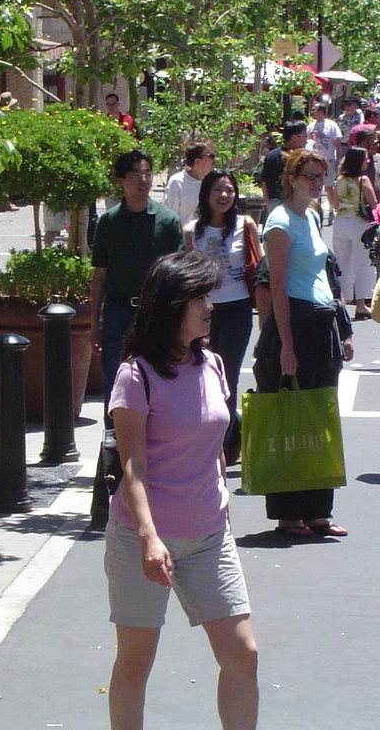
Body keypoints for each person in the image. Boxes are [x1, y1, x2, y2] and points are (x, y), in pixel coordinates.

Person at [105, 251, 258, 730]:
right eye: (200, 298)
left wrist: (223, 489)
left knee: (243, 655)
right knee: (136, 663)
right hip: (142, 541)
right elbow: (132, 466)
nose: (211, 306)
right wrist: (150, 538)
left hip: (209, 534)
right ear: (173, 306)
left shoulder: (212, 363)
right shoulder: (137, 375)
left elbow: (211, 438)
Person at [252, 149, 351, 538]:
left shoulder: (312, 215)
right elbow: (276, 288)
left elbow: (324, 277)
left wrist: (343, 331)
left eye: (321, 175)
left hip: (322, 323)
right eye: (309, 175)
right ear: (291, 178)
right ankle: (288, 513)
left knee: (320, 415)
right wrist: (286, 347)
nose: (316, 182)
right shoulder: (279, 222)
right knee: (290, 419)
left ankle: (318, 511)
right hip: (293, 324)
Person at [90, 151, 184, 526]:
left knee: (160, 396)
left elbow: (178, 275)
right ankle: (109, 495)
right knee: (117, 405)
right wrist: (94, 321)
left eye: (147, 174)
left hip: (156, 315)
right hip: (116, 314)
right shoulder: (109, 222)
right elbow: (99, 274)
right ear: (121, 181)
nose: (143, 181)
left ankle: (157, 487)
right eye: (134, 175)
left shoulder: (167, 220)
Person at [183, 170, 263, 464]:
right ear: (206, 194)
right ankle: (216, 437)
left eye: (229, 190)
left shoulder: (246, 225)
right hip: (202, 312)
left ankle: (224, 445)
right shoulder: (193, 230)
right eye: (217, 190)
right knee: (200, 376)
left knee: (227, 377)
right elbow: (187, 275)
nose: (224, 196)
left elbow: (261, 266)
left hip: (238, 309)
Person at [330, 147, 379, 320]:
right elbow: (373, 203)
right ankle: (361, 305)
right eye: (365, 158)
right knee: (363, 264)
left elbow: (335, 203)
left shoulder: (340, 180)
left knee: (342, 264)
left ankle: (341, 301)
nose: (368, 161)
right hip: (360, 224)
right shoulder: (363, 180)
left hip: (341, 221)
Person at [163, 139, 216, 224]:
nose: (215, 159)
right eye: (211, 156)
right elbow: (168, 218)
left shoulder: (215, 182)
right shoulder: (177, 182)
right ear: (197, 161)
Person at [260, 121, 307, 217]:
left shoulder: (271, 155)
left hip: (288, 203)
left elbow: (264, 184)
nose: (306, 139)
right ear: (294, 137)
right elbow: (265, 183)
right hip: (285, 203)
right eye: (304, 136)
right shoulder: (273, 156)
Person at [306, 102, 341, 220]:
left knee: (329, 186)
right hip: (315, 161)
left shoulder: (331, 125)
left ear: (322, 112)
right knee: (316, 187)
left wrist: (338, 159)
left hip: (329, 159)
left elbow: (337, 143)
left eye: (314, 110)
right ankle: (318, 210)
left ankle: (331, 209)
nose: (312, 112)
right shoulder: (310, 126)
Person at [356, 128, 380, 196]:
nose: (378, 145)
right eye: (375, 143)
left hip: (378, 204)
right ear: (363, 143)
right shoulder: (350, 160)